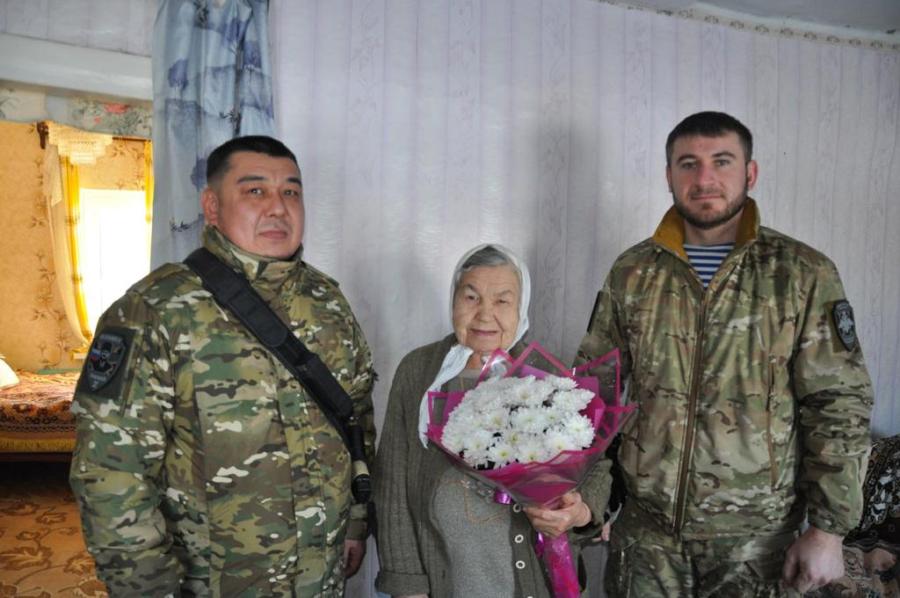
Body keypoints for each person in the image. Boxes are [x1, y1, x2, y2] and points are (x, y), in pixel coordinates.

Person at [576, 111, 873, 597]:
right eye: (688, 163)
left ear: (750, 173)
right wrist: (590, 499)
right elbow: (592, 392)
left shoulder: (801, 273)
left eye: (721, 161)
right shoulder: (633, 272)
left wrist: (829, 529)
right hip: (647, 538)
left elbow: (838, 403)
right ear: (668, 174)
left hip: (757, 544)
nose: (704, 178)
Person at [69, 135, 376, 597]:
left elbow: (357, 420)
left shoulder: (328, 303)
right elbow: (111, 475)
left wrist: (356, 521)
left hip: (320, 579)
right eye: (255, 191)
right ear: (212, 206)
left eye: (291, 192)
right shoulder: (155, 311)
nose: (278, 208)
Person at [374, 244, 610, 598]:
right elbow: (393, 487)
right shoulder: (418, 371)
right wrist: (408, 587)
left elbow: (597, 467)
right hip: (446, 585)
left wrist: (581, 511)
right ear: (453, 301)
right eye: (471, 297)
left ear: (521, 308)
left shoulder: (546, 375)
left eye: (502, 301)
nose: (485, 315)